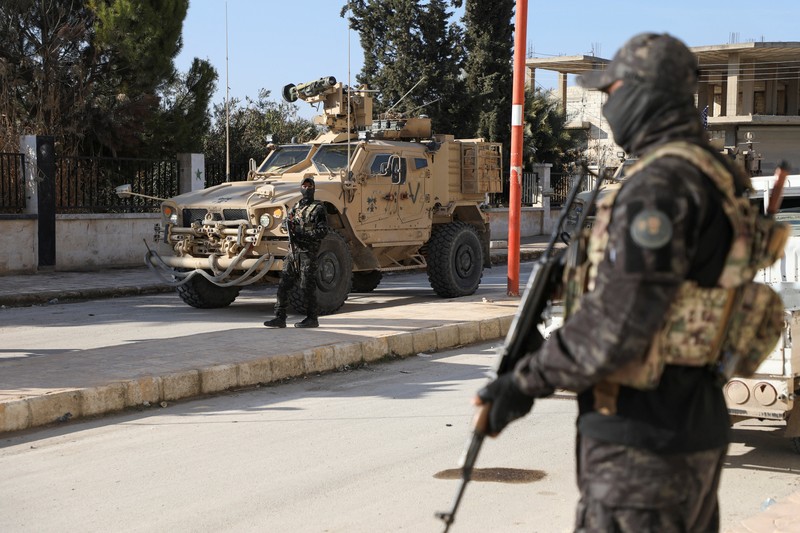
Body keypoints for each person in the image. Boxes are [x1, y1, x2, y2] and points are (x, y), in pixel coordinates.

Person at [475, 33, 754, 532]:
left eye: (613, 91)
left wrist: (523, 382)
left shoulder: (659, 186)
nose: (608, 106)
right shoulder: (719, 177)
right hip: (694, 425)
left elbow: (619, 324)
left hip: (641, 446)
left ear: (646, 93)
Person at [264, 177, 329, 329]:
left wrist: (304, 234)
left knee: (307, 286)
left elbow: (323, 231)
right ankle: (280, 317)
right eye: (304, 186)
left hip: (307, 252)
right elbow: (287, 222)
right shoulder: (296, 207)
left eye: (309, 186)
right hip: (293, 252)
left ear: (313, 188)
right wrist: (288, 226)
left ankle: (312, 318)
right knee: (284, 285)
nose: (306, 188)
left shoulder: (318, 208)